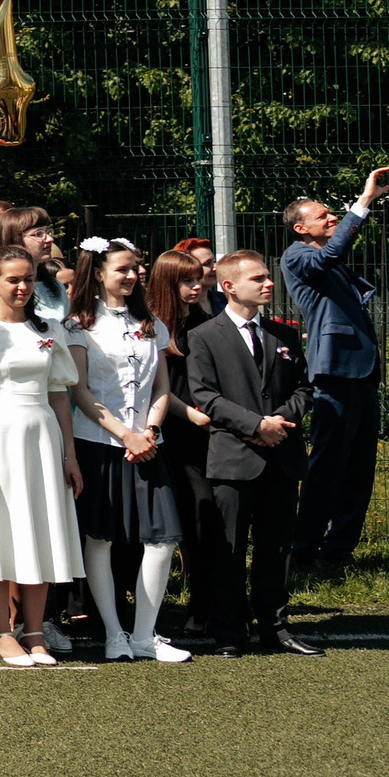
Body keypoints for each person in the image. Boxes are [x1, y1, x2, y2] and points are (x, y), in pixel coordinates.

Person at [0, 246, 85, 667]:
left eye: (28, 278)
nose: (22, 286)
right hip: (0, 437)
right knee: (0, 532)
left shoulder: (50, 328)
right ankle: (2, 632)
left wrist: (70, 455)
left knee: (42, 529)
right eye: (13, 279)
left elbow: (60, 395)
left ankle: (34, 632)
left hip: (44, 437)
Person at [185, 250, 317, 657]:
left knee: (275, 550)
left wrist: (277, 421)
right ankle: (228, 631)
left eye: (268, 276)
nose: (269, 283)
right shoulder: (203, 336)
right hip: (233, 459)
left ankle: (275, 629)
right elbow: (204, 395)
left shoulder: (284, 335)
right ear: (228, 286)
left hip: (281, 457)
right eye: (258, 277)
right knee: (228, 549)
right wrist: (255, 426)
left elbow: (304, 389)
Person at [64, 238, 189, 663]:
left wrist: (149, 430)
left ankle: (144, 635)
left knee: (162, 540)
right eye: (123, 269)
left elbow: (161, 386)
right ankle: (114, 634)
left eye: (136, 267)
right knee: (100, 539)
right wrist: (125, 435)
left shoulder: (152, 322)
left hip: (148, 446)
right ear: (98, 273)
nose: (133, 275)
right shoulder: (78, 325)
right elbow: (79, 392)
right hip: (100, 444)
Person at [280, 169, 388, 576]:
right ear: (299, 227)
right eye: (323, 215)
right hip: (334, 375)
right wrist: (364, 199)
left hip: (360, 373)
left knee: (360, 468)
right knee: (327, 466)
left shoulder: (329, 261)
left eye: (333, 214)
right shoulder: (298, 254)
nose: (332, 219)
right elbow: (331, 254)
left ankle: (339, 552)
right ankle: (303, 551)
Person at [145, 248, 223, 640]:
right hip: (162, 432)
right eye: (187, 281)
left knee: (202, 518)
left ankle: (203, 607)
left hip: (201, 435)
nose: (197, 286)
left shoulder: (207, 322)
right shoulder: (151, 326)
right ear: (167, 283)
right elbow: (156, 387)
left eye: (200, 279)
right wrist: (187, 413)